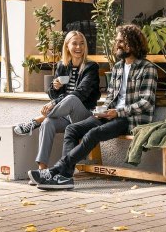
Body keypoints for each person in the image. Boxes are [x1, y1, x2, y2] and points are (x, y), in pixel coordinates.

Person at [29, 24, 157, 190]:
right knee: (72, 130)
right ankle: (65, 176)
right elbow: (111, 97)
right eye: (117, 41)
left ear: (133, 43)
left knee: (93, 133)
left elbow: (146, 102)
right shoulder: (118, 68)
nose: (117, 44)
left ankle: (58, 171)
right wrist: (102, 112)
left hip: (130, 119)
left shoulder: (147, 68)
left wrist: (117, 112)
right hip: (110, 115)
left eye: (121, 41)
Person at [13, 31, 100, 173]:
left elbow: (81, 94)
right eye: (75, 43)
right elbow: (53, 96)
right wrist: (54, 87)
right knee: (48, 123)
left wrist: (54, 103)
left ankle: (36, 120)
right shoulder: (62, 66)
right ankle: (42, 170)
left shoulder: (91, 67)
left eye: (82, 43)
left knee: (72, 99)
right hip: (65, 116)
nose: (79, 47)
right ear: (67, 46)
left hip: (84, 116)